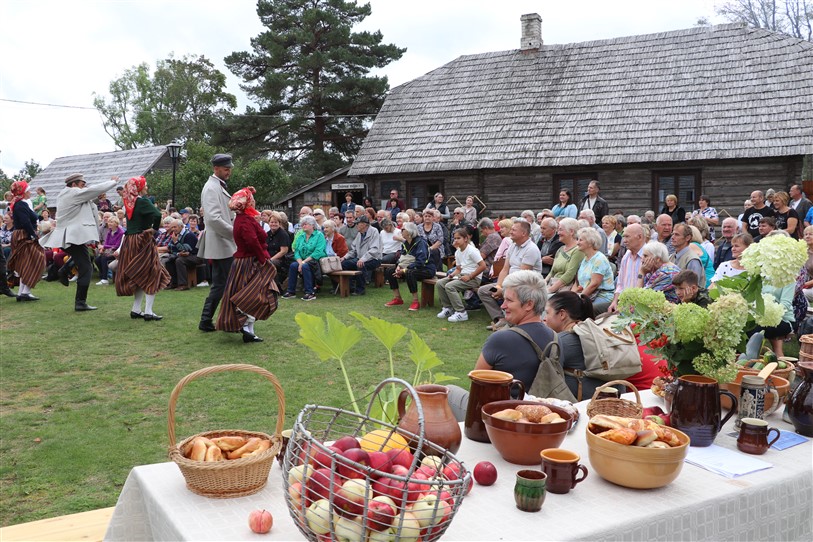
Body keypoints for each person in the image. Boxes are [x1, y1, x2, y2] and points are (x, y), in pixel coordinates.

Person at [39, 173, 118, 311]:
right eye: (82, 184)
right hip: (72, 237)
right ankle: (80, 302)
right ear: (74, 184)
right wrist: (112, 182)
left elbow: (88, 198)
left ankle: (64, 270)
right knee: (86, 267)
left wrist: (97, 197)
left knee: (83, 259)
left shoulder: (66, 194)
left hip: (70, 237)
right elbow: (92, 191)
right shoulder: (73, 193)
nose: (84, 187)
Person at [472, 270, 555, 390]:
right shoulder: (555, 338)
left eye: (509, 300)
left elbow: (476, 384)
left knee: (450, 390)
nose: (503, 306)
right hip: (543, 401)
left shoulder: (500, 339)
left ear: (529, 305)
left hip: (503, 402)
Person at [216, 187, 279, 343]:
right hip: (250, 262)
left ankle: (249, 330)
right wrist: (263, 260)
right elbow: (252, 242)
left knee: (255, 294)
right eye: (252, 199)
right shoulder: (244, 221)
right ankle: (245, 327)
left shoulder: (244, 219)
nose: (254, 202)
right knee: (254, 295)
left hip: (246, 261)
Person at [545, 291, 623, 401]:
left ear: (562, 314)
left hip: (584, 403)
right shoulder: (595, 332)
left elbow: (546, 377)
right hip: (615, 397)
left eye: (547, 313)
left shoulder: (561, 341)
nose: (544, 318)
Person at [115, 176, 169, 320]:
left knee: (138, 274)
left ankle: (136, 309)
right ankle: (148, 311)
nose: (147, 188)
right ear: (139, 188)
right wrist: (154, 229)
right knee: (152, 273)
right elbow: (157, 214)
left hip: (129, 241)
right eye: (145, 185)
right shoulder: (142, 201)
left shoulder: (128, 202)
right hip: (142, 239)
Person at [477, 220, 543, 332]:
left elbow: (522, 276)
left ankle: (512, 323)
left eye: (514, 230)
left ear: (523, 233)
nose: (510, 232)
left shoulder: (531, 249)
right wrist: (498, 286)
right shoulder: (513, 246)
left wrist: (504, 290)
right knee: (483, 291)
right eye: (511, 229)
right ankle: (501, 319)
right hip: (510, 284)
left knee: (510, 295)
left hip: (525, 287)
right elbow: (505, 269)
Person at [197, 154, 237, 332]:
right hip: (221, 242)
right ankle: (224, 320)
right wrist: (234, 233)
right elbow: (213, 218)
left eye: (229, 169)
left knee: (222, 284)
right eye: (226, 169)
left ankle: (208, 320)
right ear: (216, 169)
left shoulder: (216, 186)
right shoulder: (211, 188)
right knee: (225, 284)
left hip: (223, 242)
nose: (229, 172)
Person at [381, 222, 436, 311]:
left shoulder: (420, 243)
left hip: (426, 269)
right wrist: (399, 267)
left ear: (410, 231)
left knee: (409, 272)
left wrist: (404, 270)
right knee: (390, 270)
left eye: (403, 229)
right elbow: (402, 258)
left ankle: (415, 301)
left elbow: (421, 262)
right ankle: (398, 298)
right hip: (411, 267)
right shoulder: (405, 243)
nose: (401, 231)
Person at [436, 227, 486, 322]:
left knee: (450, 286)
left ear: (466, 239)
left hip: (474, 278)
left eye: (459, 238)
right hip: (462, 275)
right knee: (440, 283)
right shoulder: (458, 252)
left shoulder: (472, 250)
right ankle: (448, 308)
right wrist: (451, 275)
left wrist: (470, 276)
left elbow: (483, 266)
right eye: (455, 238)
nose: (456, 240)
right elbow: (458, 269)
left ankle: (461, 312)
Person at [7, 181, 45, 301]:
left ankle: (23, 293)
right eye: (28, 190)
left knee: (26, 264)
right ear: (23, 192)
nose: (30, 192)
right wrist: (33, 235)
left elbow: (31, 217)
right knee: (35, 260)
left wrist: (40, 216)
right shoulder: (21, 205)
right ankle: (25, 292)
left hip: (22, 234)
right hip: (24, 235)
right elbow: (25, 221)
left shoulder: (19, 204)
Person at [282, 215, 326, 301]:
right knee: (293, 265)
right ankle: (291, 291)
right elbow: (297, 251)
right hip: (302, 260)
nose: (303, 226)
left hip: (315, 261)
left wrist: (303, 262)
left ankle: (310, 292)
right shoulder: (301, 236)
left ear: (312, 225)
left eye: (306, 224)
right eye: (302, 224)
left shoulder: (319, 235)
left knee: (305, 266)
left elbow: (318, 252)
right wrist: (300, 263)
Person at [572, 227, 615, 314]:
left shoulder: (599, 259)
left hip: (602, 296)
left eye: (581, 240)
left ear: (590, 243)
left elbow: (594, 284)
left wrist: (578, 300)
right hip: (588, 295)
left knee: (578, 311)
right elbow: (577, 284)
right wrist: (570, 298)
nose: (577, 243)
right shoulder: (585, 259)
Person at [608, 223, 646, 312]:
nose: (624, 241)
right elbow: (620, 283)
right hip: (624, 305)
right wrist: (615, 301)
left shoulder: (649, 256)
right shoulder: (627, 255)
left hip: (640, 308)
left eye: (627, 237)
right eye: (624, 237)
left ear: (639, 237)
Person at [546, 218, 584, 294]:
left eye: (561, 230)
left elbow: (570, 274)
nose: (558, 233)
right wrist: (544, 282)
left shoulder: (578, 250)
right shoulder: (560, 249)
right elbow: (552, 272)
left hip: (564, 288)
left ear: (571, 231)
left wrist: (550, 290)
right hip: (552, 283)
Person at [94, 215, 124, 285]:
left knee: (104, 258)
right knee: (97, 260)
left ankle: (105, 279)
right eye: (109, 222)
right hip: (109, 251)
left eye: (111, 222)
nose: (109, 223)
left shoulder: (121, 233)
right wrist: (103, 248)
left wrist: (104, 247)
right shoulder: (110, 231)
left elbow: (116, 246)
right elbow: (106, 242)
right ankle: (103, 276)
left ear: (116, 223)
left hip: (118, 253)